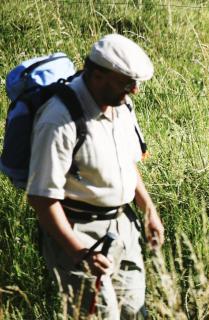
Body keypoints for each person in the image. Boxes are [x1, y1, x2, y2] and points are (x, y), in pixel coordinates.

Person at [26, 34, 165, 319]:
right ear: (98, 76)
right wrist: (79, 253)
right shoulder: (59, 120)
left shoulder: (121, 106)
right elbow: (41, 197)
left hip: (123, 230)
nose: (135, 90)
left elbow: (126, 164)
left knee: (134, 313)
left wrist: (148, 210)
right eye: (127, 82)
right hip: (79, 234)